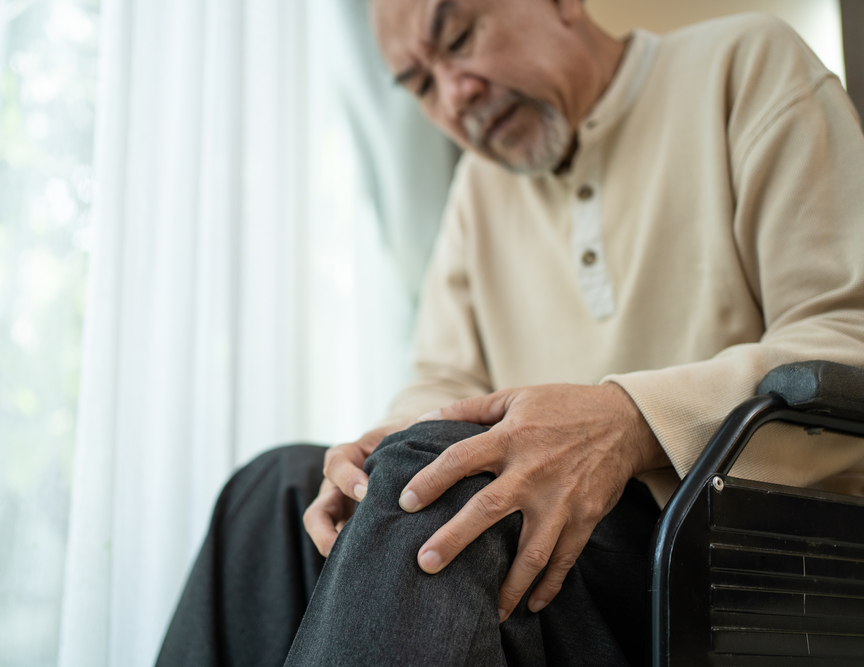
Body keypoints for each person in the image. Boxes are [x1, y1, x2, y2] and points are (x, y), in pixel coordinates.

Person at [157, 0, 864, 665]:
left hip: (742, 545)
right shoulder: (478, 191)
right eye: (419, 85)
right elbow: (438, 386)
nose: (453, 96)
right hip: (557, 555)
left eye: (459, 39)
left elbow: (846, 338)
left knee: (443, 482)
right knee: (275, 492)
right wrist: (373, 453)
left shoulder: (745, 67)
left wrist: (627, 422)